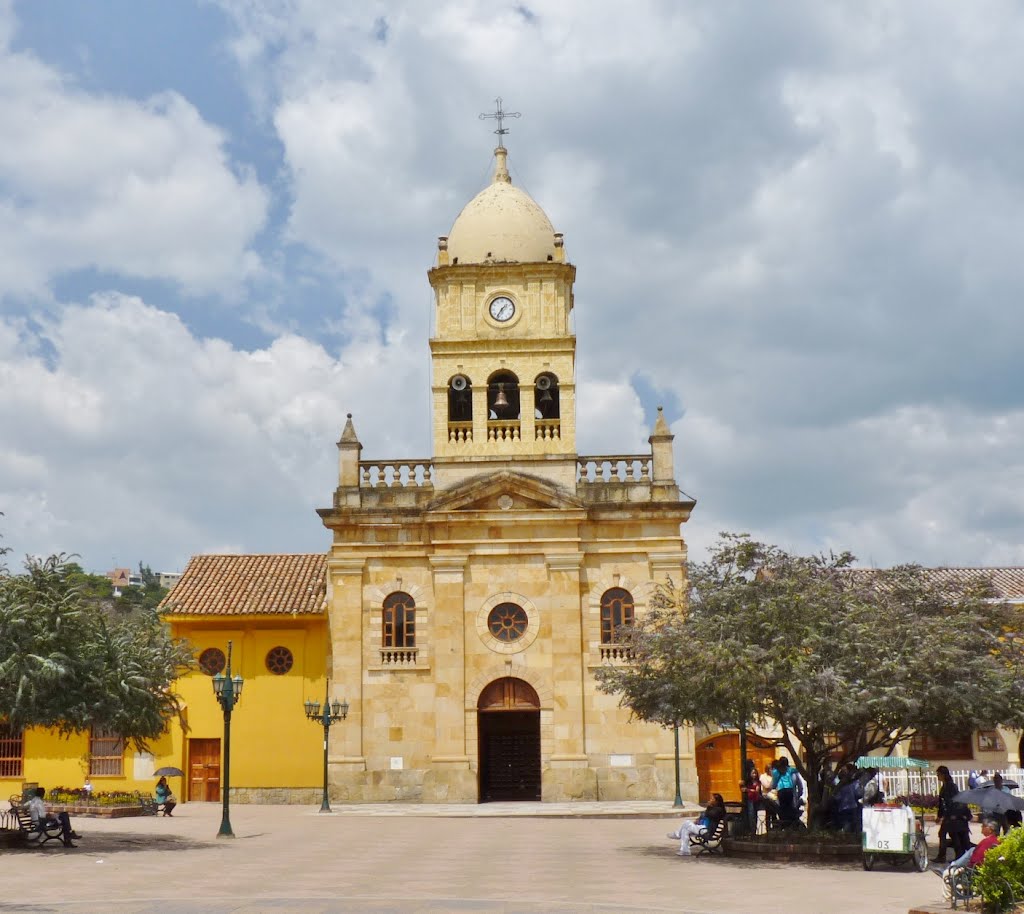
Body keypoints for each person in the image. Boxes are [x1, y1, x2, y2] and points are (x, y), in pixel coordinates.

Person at [933, 765, 957, 862]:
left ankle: (943, 856)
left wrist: (943, 815)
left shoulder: (951, 786)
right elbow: (942, 803)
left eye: (938, 774)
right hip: (948, 815)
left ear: (943, 775)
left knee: (946, 834)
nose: (937, 776)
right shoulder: (945, 786)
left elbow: (950, 801)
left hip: (952, 815)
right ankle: (945, 855)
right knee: (949, 834)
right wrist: (940, 815)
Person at [772, 757, 801, 826]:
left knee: (782, 807)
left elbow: (775, 782)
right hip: (789, 789)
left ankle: (784, 822)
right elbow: (797, 770)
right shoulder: (789, 770)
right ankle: (790, 821)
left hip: (781, 790)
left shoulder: (776, 771)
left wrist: (774, 786)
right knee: (789, 806)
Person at [741, 759, 762, 834]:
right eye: (753, 773)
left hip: (755, 799)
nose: (754, 775)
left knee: (753, 814)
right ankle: (751, 829)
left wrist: (748, 790)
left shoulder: (758, 782)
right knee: (750, 814)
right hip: (750, 799)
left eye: (755, 773)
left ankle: (753, 830)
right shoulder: (747, 781)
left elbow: (757, 790)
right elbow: (743, 788)